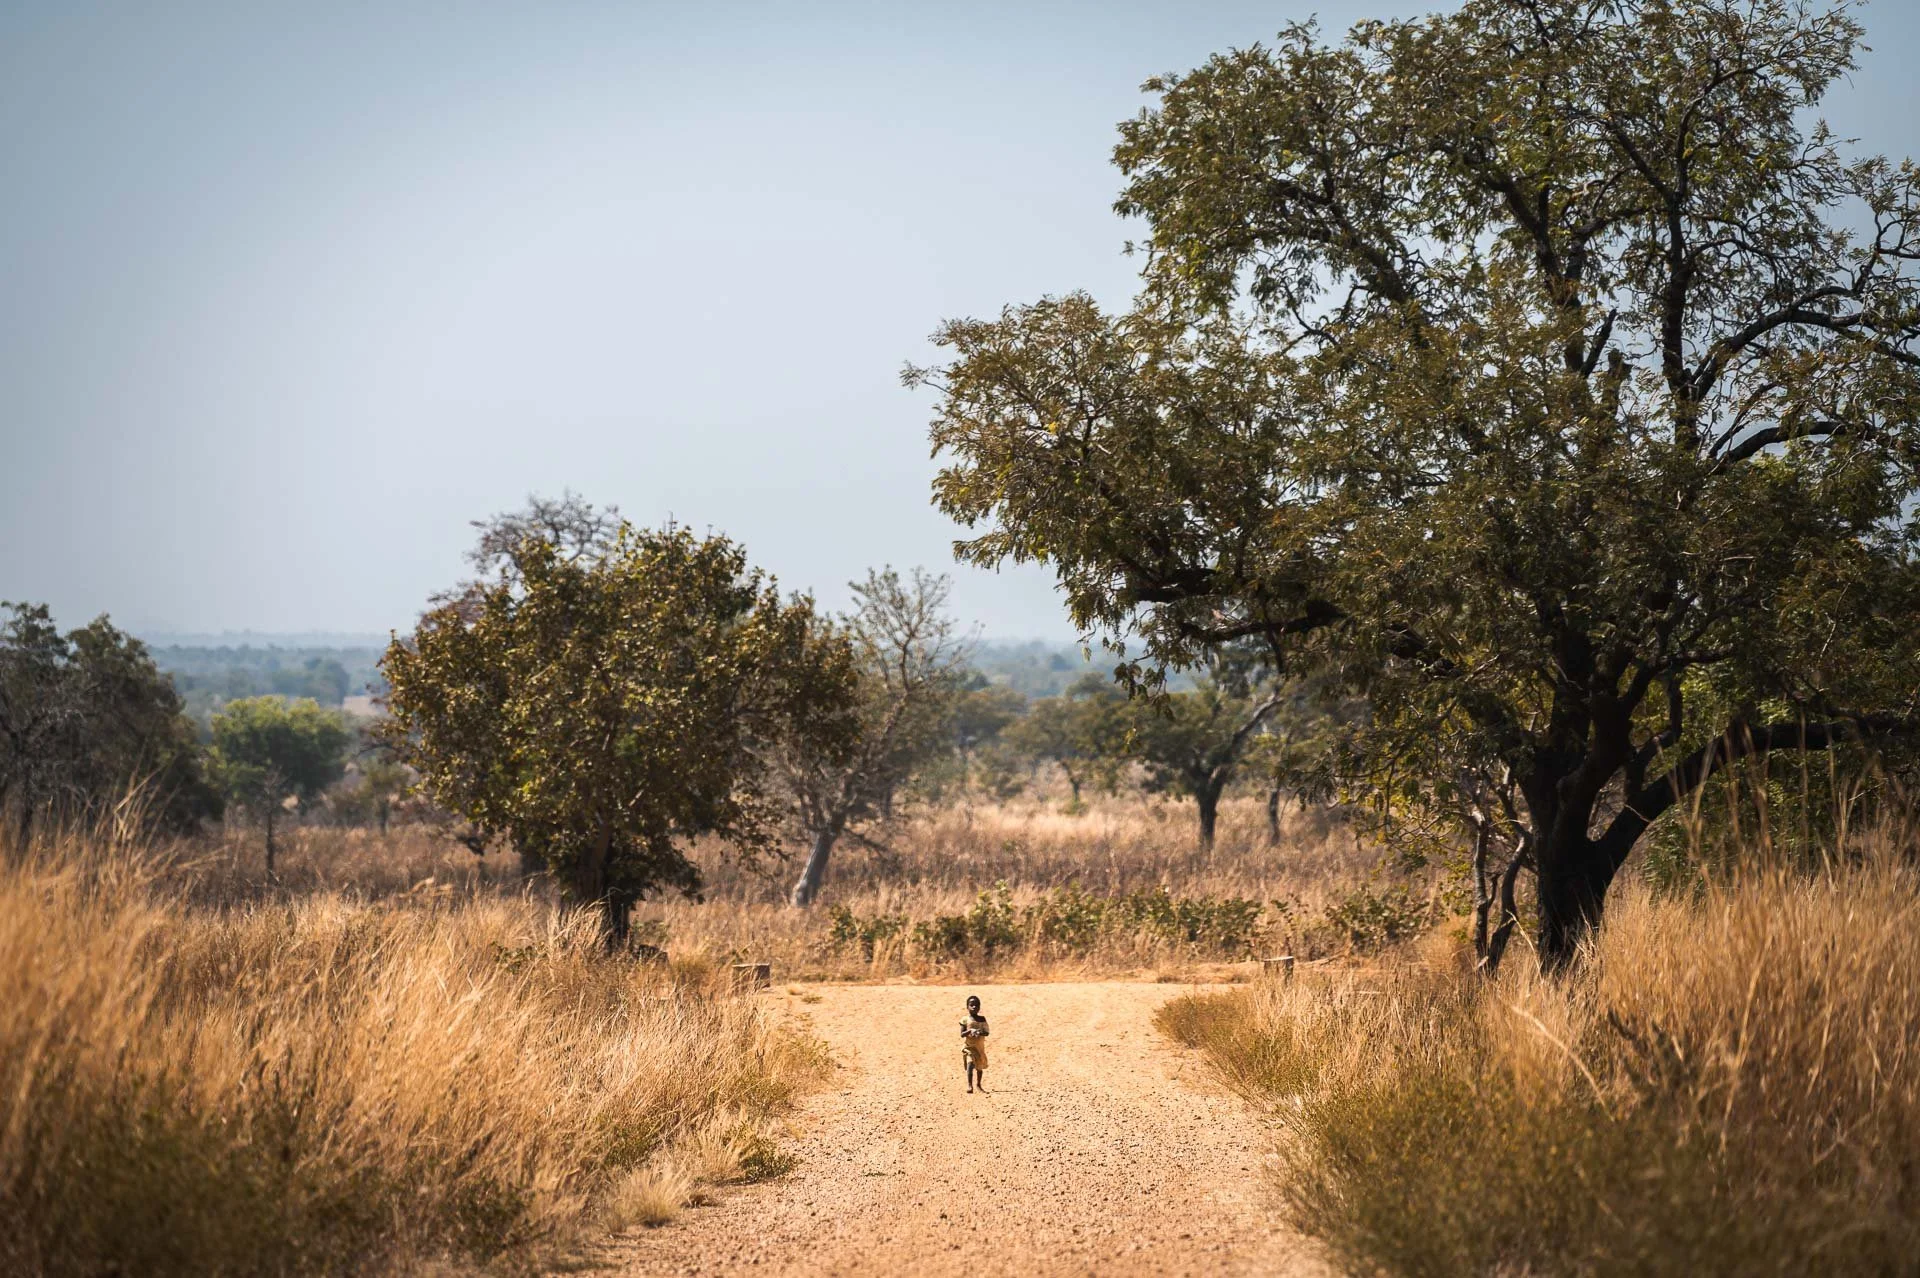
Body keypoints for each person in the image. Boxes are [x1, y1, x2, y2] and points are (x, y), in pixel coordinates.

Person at [961, 994, 990, 1094]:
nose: (974, 1007)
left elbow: (987, 1032)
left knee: (979, 1067)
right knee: (970, 1063)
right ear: (967, 1007)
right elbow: (962, 1034)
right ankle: (970, 1085)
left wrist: (979, 1032)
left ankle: (978, 1084)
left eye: (976, 1005)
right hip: (969, 1047)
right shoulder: (965, 1020)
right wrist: (969, 1031)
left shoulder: (982, 1019)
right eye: (971, 1005)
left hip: (979, 1048)